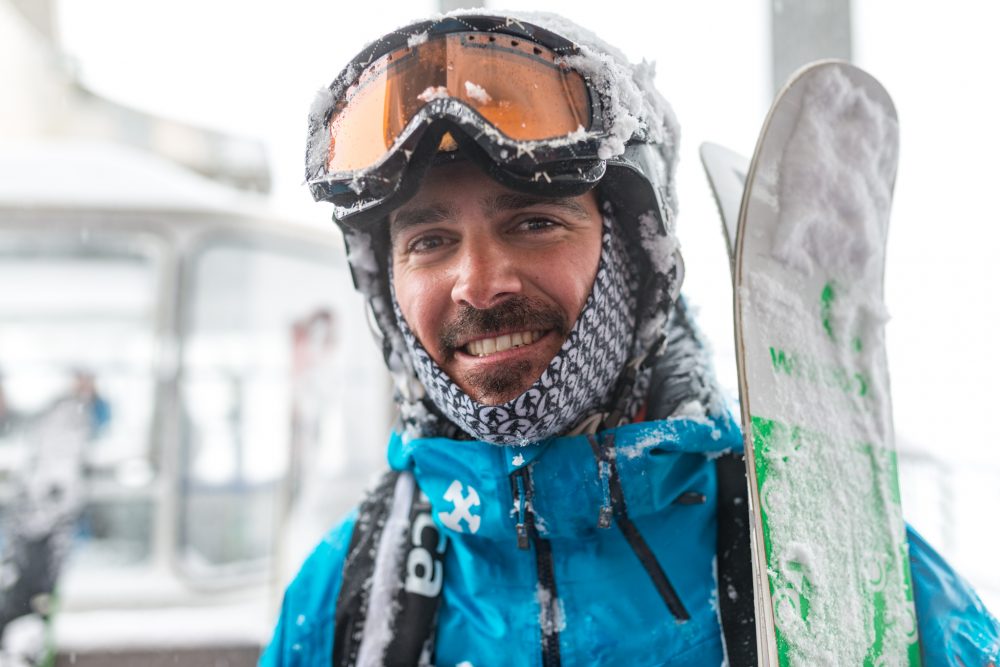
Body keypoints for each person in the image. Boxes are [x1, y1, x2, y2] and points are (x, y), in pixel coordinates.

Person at [261, 11, 999, 666]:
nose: (479, 284)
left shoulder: (822, 558)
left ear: (633, 260)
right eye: (429, 241)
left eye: (535, 222)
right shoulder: (351, 601)